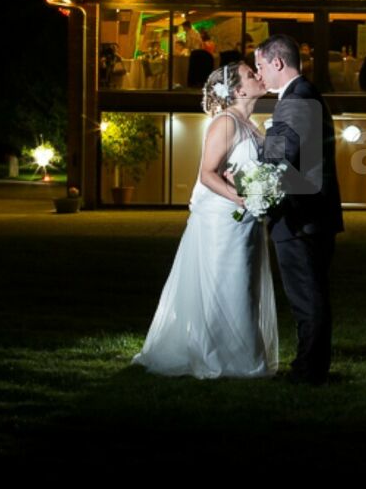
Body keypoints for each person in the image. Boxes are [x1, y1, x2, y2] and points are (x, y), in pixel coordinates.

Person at [131, 62, 278, 379]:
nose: (258, 76)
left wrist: (265, 189)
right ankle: (221, 358)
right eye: (251, 74)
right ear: (238, 90)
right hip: (223, 220)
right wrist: (243, 198)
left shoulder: (253, 125)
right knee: (228, 284)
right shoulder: (225, 123)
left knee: (245, 286)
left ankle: (243, 355)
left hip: (248, 220)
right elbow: (206, 174)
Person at [253, 33, 344, 385]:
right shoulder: (303, 94)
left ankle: (309, 370)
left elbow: (280, 155)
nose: (260, 74)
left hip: (301, 218)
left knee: (307, 298)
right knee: (313, 294)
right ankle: (311, 364)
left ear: (278, 62)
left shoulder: (296, 100)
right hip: (313, 217)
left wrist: (258, 153)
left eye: (261, 66)